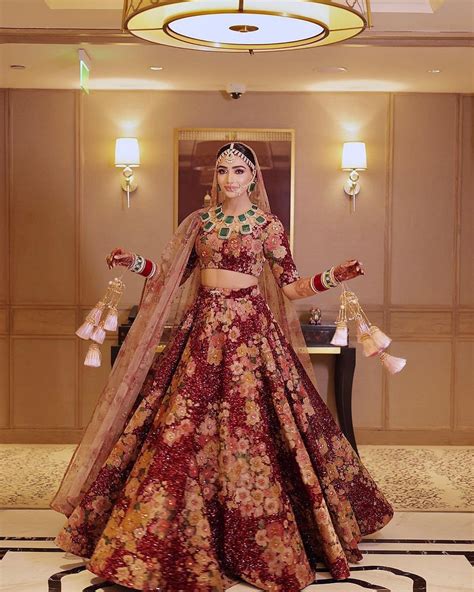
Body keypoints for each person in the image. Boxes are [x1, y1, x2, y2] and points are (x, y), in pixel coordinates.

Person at [52, 142, 393, 591]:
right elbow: (170, 274)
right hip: (203, 329)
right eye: (223, 170)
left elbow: (290, 288)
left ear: (253, 176)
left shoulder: (268, 225)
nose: (229, 178)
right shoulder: (202, 223)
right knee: (179, 427)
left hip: (251, 332)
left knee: (261, 429)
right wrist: (132, 262)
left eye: (238, 170)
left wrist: (335, 276)